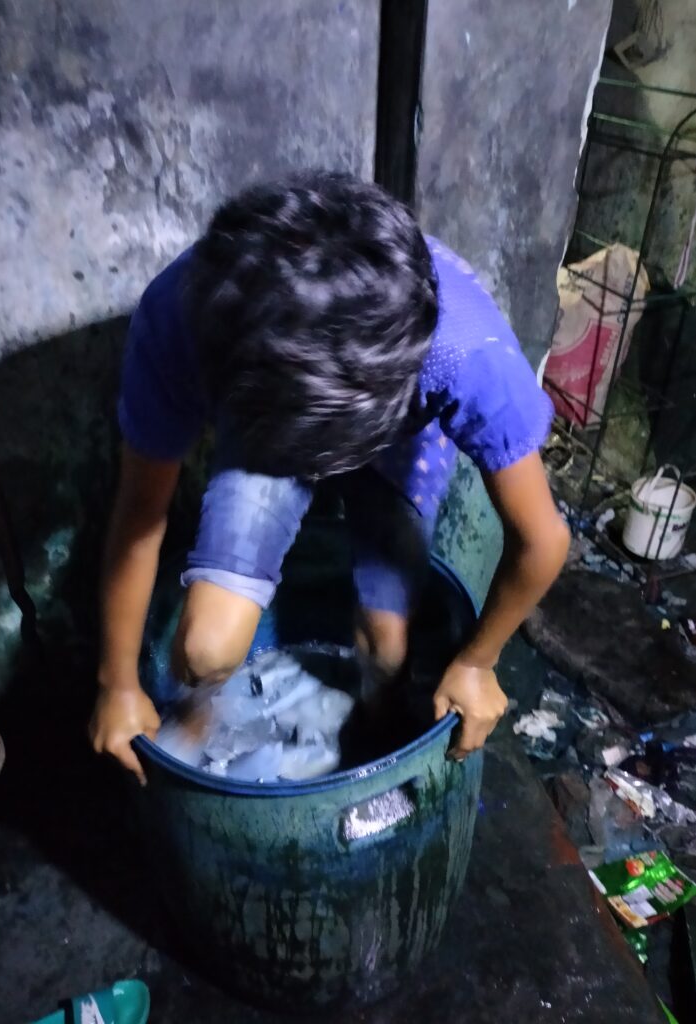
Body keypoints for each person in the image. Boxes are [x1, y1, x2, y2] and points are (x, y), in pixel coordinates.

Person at [90, 171, 569, 784]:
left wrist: (478, 662)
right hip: (268, 421)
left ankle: (374, 725)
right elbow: (139, 514)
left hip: (398, 424)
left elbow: (543, 540)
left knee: (387, 646)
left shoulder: (460, 351)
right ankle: (198, 731)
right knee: (207, 647)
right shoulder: (187, 319)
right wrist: (118, 683)